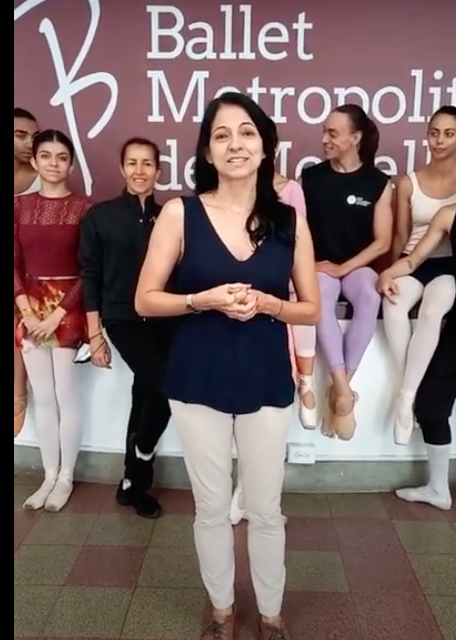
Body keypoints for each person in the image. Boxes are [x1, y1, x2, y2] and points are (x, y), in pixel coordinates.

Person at [136, 92, 319, 640]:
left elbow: (309, 307)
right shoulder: (180, 212)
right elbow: (146, 299)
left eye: (246, 132)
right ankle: (221, 612)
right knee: (212, 508)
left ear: (265, 147)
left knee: (266, 509)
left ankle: (271, 614)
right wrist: (202, 300)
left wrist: (269, 304)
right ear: (208, 151)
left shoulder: (289, 219)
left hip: (265, 374)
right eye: (221, 135)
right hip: (196, 376)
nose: (235, 143)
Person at [79, 137, 172, 519]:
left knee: (145, 394)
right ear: (122, 168)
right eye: (132, 163)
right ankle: (142, 463)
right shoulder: (100, 216)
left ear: (158, 171)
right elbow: (91, 275)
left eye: (147, 164)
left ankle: (130, 484)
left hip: (166, 319)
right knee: (166, 387)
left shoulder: (170, 217)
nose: (139, 171)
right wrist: (94, 333)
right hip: (122, 318)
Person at [230, 153, 317, 527]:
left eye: (249, 136)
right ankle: (241, 489)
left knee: (268, 417)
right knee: (237, 410)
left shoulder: (290, 195)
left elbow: (299, 264)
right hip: (236, 310)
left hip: (277, 305)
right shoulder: (216, 202)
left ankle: (256, 496)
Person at [301, 104, 393, 440]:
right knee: (320, 297)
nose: (324, 138)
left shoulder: (378, 183)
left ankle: (340, 388)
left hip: (357, 266)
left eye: (333, 133)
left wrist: (344, 267)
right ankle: (344, 392)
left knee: (370, 296)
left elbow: (383, 241)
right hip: (320, 266)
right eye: (324, 131)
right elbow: (297, 232)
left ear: (355, 138)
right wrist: (313, 265)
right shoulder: (311, 178)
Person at [15, 130, 92, 512]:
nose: (54, 163)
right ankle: (48, 473)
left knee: (66, 394)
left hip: (69, 310)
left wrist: (59, 312)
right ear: (35, 161)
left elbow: (90, 269)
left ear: (71, 163)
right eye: (46, 156)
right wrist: (27, 310)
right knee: (42, 397)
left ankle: (66, 476)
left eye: (62, 157)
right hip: (28, 310)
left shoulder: (85, 208)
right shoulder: (18, 207)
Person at [380, 106, 456, 444]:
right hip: (414, 259)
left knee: (432, 312)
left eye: (448, 133)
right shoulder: (408, 182)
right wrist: (387, 270)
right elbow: (402, 238)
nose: (439, 140)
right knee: (393, 304)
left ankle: (406, 395)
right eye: (434, 132)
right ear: (426, 134)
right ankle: (408, 390)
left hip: (452, 264)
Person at [388, 198, 456, 511]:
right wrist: (387, 275)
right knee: (431, 404)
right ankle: (437, 489)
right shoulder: (450, 215)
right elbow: (412, 261)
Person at [14, 108, 41, 438]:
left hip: (29, 277)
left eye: (33, 137)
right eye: (20, 135)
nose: (29, 144)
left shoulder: (43, 177)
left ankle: (18, 394)